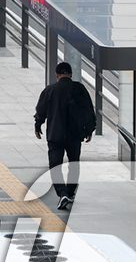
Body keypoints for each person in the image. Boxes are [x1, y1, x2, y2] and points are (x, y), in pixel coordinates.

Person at [34, 61, 96, 210]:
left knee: (55, 166)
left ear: (57, 75)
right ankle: (70, 192)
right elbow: (88, 109)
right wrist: (89, 130)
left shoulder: (50, 90)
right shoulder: (79, 89)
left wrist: (38, 125)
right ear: (71, 74)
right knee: (74, 164)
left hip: (55, 134)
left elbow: (41, 110)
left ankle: (62, 194)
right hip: (74, 135)